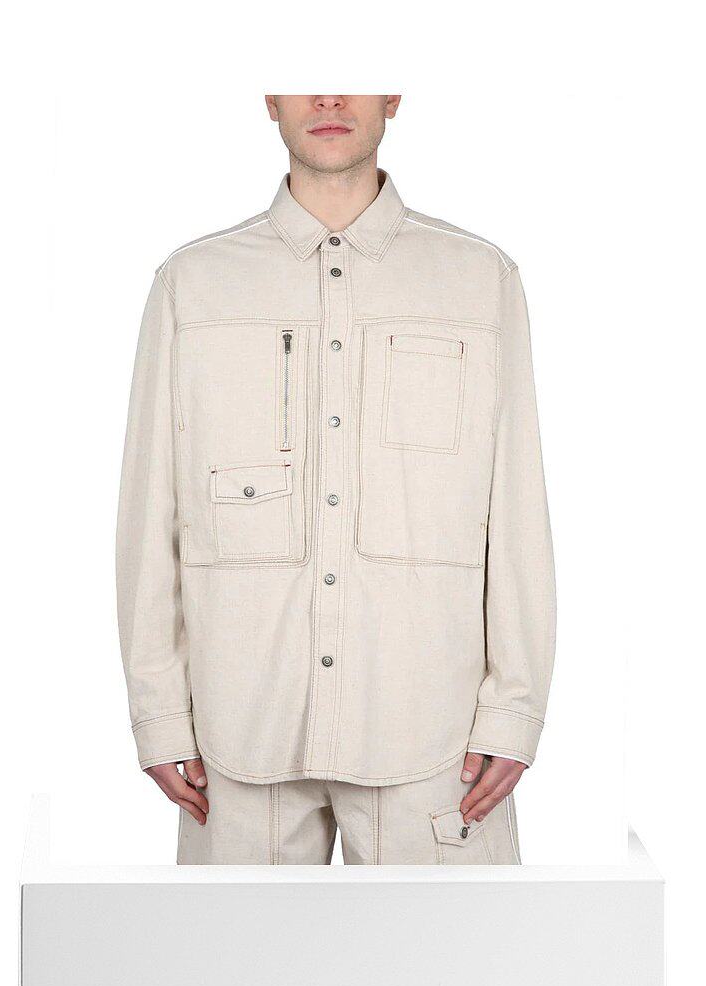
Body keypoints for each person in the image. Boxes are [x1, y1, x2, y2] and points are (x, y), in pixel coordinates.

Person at [116, 95, 556, 864]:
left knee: (443, 947)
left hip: (433, 726)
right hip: (241, 722)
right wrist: (158, 711)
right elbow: (151, 508)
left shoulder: (478, 281)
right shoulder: (194, 284)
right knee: (238, 948)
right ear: (269, 97)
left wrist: (514, 710)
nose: (327, 96)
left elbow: (516, 507)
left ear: (393, 94)